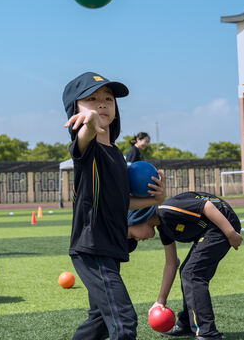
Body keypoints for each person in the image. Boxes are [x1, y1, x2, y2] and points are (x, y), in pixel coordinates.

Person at [62, 72, 166, 340]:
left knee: (99, 322)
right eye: (92, 99)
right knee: (124, 321)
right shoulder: (88, 149)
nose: (102, 104)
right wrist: (90, 124)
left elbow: (122, 201)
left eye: (108, 98)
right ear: (75, 109)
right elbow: (83, 138)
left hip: (110, 247)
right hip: (92, 247)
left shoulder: (117, 156)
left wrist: (155, 200)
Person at [127, 191, 242, 340]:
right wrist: (161, 300)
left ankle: (207, 333)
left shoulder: (165, 209)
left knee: (192, 273)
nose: (137, 239)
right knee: (187, 271)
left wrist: (230, 233)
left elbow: (206, 206)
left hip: (222, 224)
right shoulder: (163, 227)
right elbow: (171, 263)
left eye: (132, 235)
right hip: (209, 229)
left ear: (138, 219)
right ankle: (188, 323)